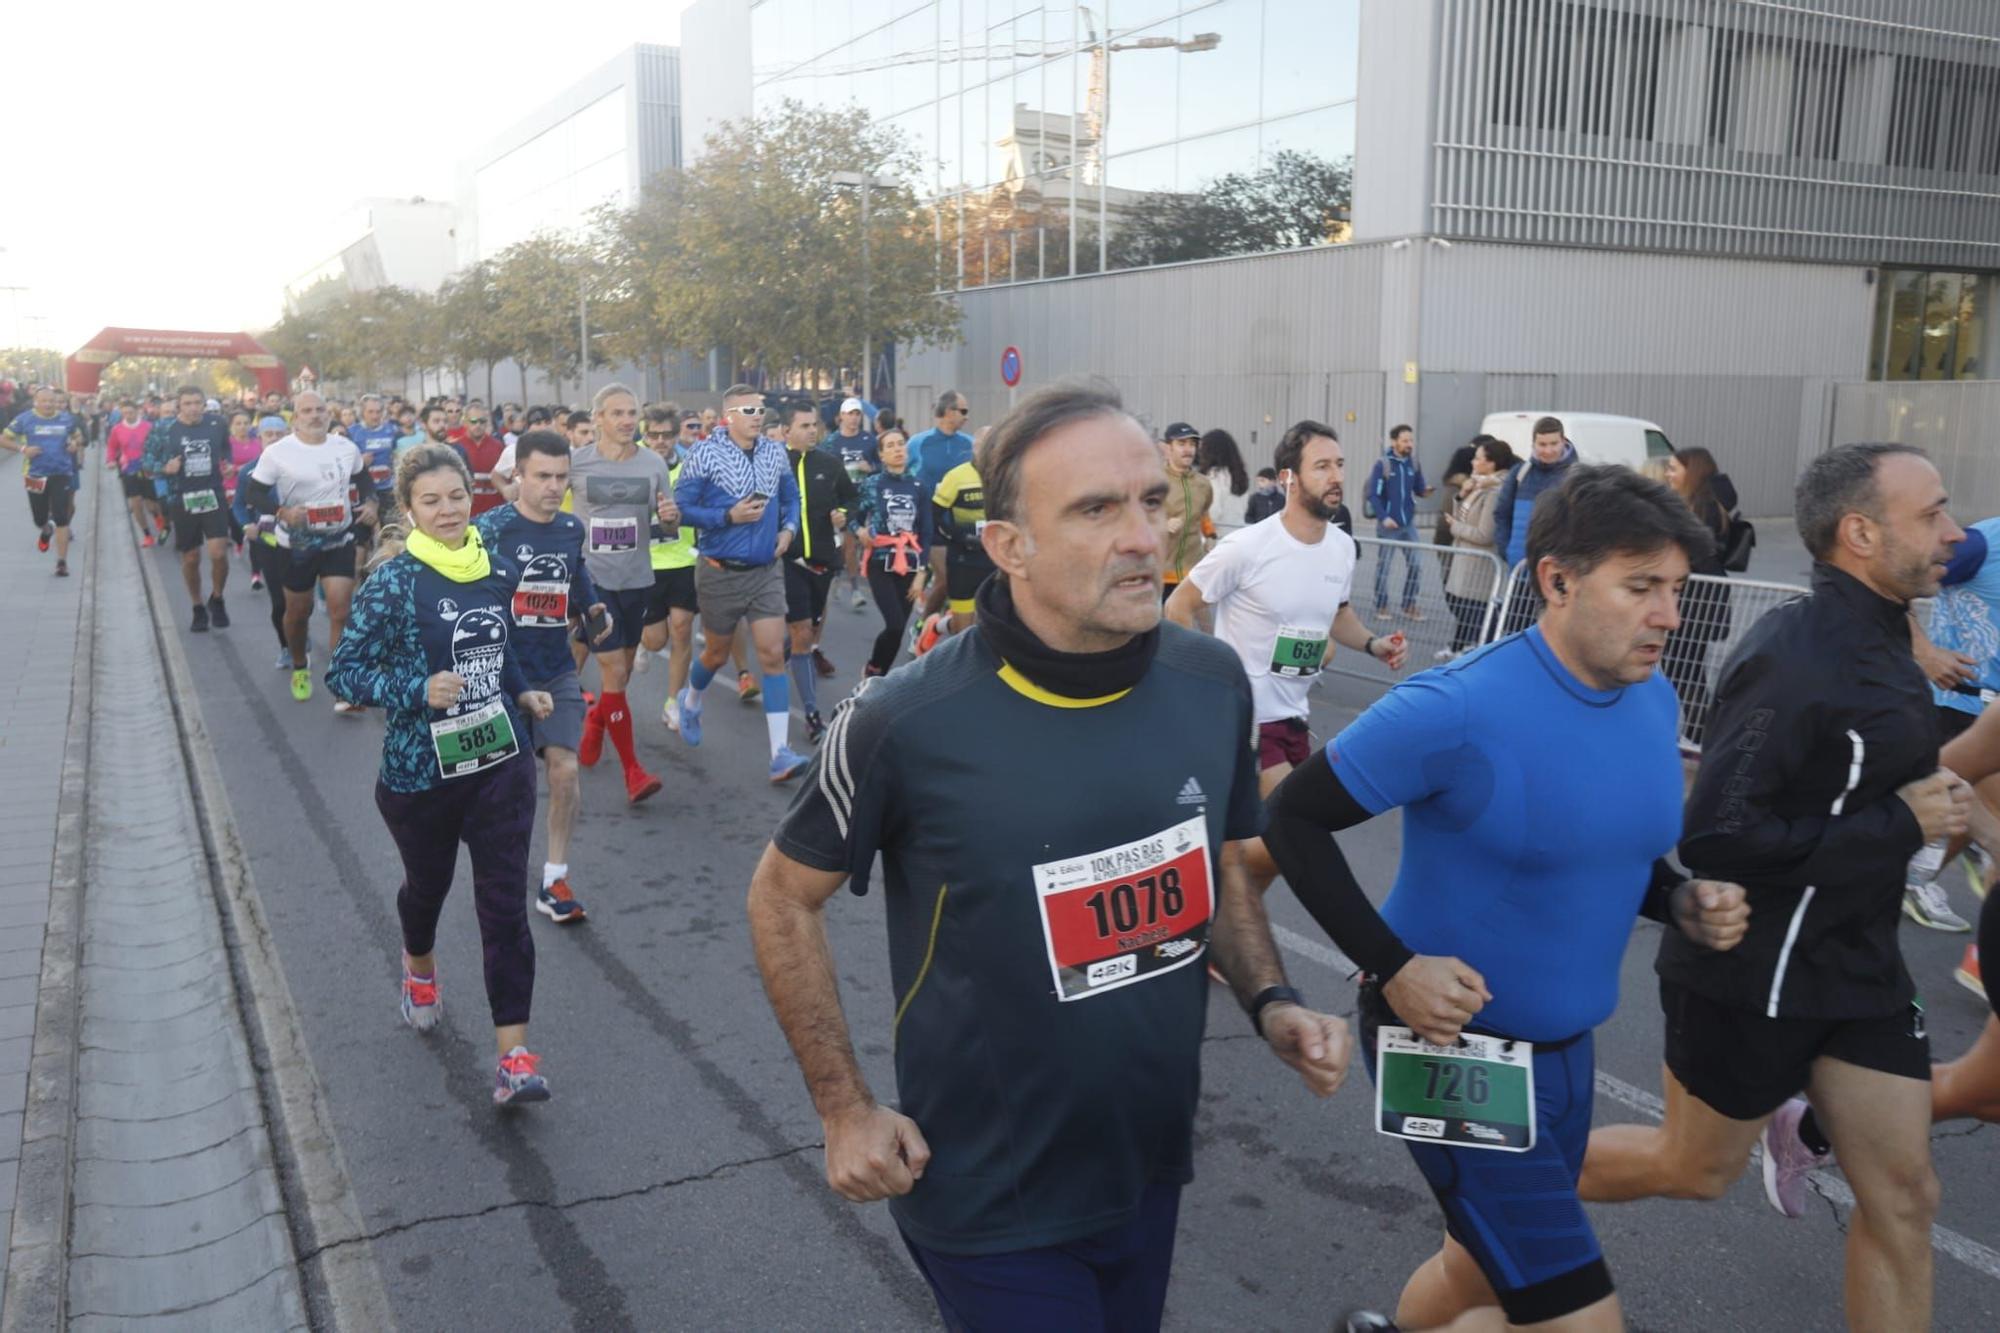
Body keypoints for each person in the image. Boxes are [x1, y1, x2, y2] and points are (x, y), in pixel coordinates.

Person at [748, 381, 1350, 1331]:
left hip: (1149, 1164)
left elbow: (1221, 863)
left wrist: (1270, 998)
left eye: (1151, 501)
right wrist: (845, 1108)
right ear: (1008, 545)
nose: (1145, 537)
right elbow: (783, 897)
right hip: (988, 1193)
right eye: (1096, 509)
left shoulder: (1210, 682)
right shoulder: (905, 720)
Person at [1267, 465, 1744, 1333]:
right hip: (1450, 1046)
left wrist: (1678, 898)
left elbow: (1604, 851)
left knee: (1477, 1275)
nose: (1670, 616)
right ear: (1556, 580)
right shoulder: (1455, 706)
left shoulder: (1652, 697)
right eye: (1642, 587)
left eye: (1677, 589)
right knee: (1577, 1316)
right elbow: (1292, 817)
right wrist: (1394, 966)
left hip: (1567, 1051)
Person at [1579, 443, 1970, 1333]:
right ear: (1861, 533)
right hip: (1754, 974)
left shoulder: (1889, 639)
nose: (1953, 533)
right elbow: (1718, 833)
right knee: (1694, 1170)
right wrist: (1903, 826)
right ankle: (1509, 1196)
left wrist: (1949, 818)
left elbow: (1906, 790)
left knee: (1905, 1197)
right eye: (1933, 514)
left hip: (1861, 973)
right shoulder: (1796, 658)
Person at [327, 443, 556, 1107]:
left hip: (499, 762)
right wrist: (412, 686)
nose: (449, 509)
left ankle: (514, 1055)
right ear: (409, 509)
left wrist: (521, 692)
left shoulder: (493, 563)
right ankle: (419, 965)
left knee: (504, 906)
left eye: (457, 495)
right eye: (432, 500)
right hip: (420, 773)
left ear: (471, 494)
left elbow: (496, 643)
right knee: (426, 889)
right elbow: (345, 670)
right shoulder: (395, 582)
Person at [1167, 419, 1406, 899]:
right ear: (1288, 478)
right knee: (1293, 832)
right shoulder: (1249, 546)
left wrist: (1373, 644)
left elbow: (1337, 616)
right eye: (1321, 466)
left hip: (1296, 715)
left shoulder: (1340, 549)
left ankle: (1228, 919)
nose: (1335, 475)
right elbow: (1179, 606)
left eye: (1338, 464)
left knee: (1276, 846)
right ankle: (1218, 897)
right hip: (1249, 718)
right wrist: (1208, 677)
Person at [474, 430, 610, 924]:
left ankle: (554, 879)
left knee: (565, 769)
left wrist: (592, 604)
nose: (554, 486)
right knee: (503, 787)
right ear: (518, 476)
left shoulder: (572, 527)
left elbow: (575, 572)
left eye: (561, 477)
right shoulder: (489, 528)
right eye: (543, 477)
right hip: (500, 674)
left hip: (554, 669)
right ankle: (496, 869)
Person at [672, 384, 811, 782]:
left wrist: (787, 530)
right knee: (715, 655)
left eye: (761, 409)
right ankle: (692, 699)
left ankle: (779, 753)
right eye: (748, 409)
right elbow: (681, 511)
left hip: (766, 569)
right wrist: (728, 517)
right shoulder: (704, 454)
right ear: (728, 415)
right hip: (720, 570)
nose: (757, 415)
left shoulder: (774, 452)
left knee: (771, 654)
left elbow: (791, 497)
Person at [568, 384, 672, 805]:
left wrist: (671, 517)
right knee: (612, 670)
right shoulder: (576, 464)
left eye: (632, 413)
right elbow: (543, 506)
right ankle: (633, 771)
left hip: (637, 578)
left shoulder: (653, 463)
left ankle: (594, 725)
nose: (628, 420)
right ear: (598, 419)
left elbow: (667, 526)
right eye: (618, 413)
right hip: (591, 580)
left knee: (621, 676)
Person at [240, 390, 378, 706]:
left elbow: (364, 480)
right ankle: (300, 664)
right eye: (307, 411)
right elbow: (255, 492)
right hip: (297, 545)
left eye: (320, 410)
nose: (315, 415)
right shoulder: (278, 452)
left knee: (340, 609)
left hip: (338, 539)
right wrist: (282, 512)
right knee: (298, 613)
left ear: (328, 415)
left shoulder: (345, 447)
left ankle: (341, 682)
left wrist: (370, 503)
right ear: (296, 418)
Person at [1905, 518, 2000, 934]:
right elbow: (1892, 578)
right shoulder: (1980, 546)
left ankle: (1909, 879)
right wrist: (1924, 651)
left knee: (1959, 815)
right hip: (1960, 705)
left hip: (1991, 712)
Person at [782, 403, 858, 743]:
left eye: (815, 425)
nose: (812, 431)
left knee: (809, 629)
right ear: (786, 431)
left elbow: (852, 499)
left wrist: (843, 513)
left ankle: (784, 656)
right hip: (786, 562)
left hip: (823, 562)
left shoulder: (829, 464)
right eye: (804, 425)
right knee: (801, 632)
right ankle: (813, 715)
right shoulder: (774, 466)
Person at [1660, 447, 1735, 749]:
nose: (1668, 474)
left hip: (1697, 601)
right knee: (1686, 669)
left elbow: (1695, 551)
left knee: (1683, 668)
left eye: (1673, 468)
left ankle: (1702, 734)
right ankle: (1700, 731)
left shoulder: (1702, 507)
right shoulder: (1701, 504)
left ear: (1692, 472)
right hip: (1696, 599)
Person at [146, 385, 235, 631]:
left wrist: (227, 464)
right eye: (188, 404)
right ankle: (197, 606)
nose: (194, 408)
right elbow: (146, 461)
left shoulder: (217, 423)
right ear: (179, 406)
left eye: (198, 403)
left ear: (204, 404)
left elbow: (226, 448)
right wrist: (165, 468)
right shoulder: (164, 428)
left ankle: (217, 598)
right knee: (192, 557)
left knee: (218, 553)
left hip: (212, 494)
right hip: (181, 498)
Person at [636, 410, 700, 732]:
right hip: (646, 563)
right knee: (656, 640)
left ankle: (673, 702)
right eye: (654, 435)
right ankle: (640, 643)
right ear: (645, 436)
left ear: (676, 436)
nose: (660, 441)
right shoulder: (632, 467)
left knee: (682, 629)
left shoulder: (690, 468)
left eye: (667, 435)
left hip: (684, 560)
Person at [854, 428, 932, 678]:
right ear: (882, 455)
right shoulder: (872, 484)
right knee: (895, 623)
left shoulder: (919, 486)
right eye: (891, 446)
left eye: (901, 444)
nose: (898, 449)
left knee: (899, 631)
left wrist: (922, 572)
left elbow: (926, 533)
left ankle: (878, 679)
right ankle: (873, 668)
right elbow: (853, 517)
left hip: (909, 563)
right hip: (880, 562)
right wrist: (860, 531)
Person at [1491, 417, 1578, 636]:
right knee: (1515, 633)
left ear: (1563, 441)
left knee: (1555, 636)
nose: (1547, 450)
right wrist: (1506, 549)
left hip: (1558, 575)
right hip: (1520, 571)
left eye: (1553, 444)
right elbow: (1502, 514)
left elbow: (1584, 524)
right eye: (1542, 444)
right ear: (1533, 444)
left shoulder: (1577, 476)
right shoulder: (1520, 473)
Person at [1439, 437, 1515, 657]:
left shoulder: (1494, 491)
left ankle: (1480, 654)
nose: (1473, 462)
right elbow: (1462, 515)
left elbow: (1484, 534)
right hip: (1466, 560)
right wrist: (1461, 495)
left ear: (1492, 463)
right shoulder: (1481, 484)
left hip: (1479, 564)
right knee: (1465, 609)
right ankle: (1461, 647)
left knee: (1479, 614)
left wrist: (1455, 528)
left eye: (1478, 458)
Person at [3, 385, 86, 576]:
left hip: (61, 473)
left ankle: (61, 562)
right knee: (39, 518)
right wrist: (23, 450)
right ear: (36, 402)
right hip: (35, 474)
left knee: (61, 516)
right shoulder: (25, 419)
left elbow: (78, 435)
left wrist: (75, 444)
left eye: (51, 401)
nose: (48, 404)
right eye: (44, 401)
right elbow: (3, 438)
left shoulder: (66, 418)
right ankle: (46, 529)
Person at [1366, 425, 1433, 621]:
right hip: (1388, 526)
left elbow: (1419, 488)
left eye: (1411, 440)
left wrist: (1425, 491)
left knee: (1416, 565)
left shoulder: (1414, 463)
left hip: (1408, 524)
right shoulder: (1383, 465)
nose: (1409, 444)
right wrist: (1384, 517)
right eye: (1405, 441)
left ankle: (1409, 604)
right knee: (1384, 567)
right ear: (1394, 442)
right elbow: (1373, 495)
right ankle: (1382, 605)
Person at [827, 396, 879, 610]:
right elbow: (824, 467)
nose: (854, 418)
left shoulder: (869, 440)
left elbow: (881, 464)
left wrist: (872, 468)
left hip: (865, 498)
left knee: (858, 543)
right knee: (849, 542)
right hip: (842, 499)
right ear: (841, 417)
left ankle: (840, 574)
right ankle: (855, 588)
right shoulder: (832, 441)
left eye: (857, 414)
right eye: (850, 414)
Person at [1158, 422, 1214, 603]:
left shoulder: (1203, 484)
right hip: (1159, 571)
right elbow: (1136, 516)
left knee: (1187, 625)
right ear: (1168, 448)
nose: (1188, 449)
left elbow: (1204, 513)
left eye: (1192, 444)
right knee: (1155, 627)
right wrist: (1161, 525)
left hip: (1193, 570)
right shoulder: (1155, 480)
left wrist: (1211, 535)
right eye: (1181, 444)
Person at [105, 398, 157, 548]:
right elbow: (112, 447)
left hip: (147, 468)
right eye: (125, 413)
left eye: (131, 412)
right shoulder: (117, 429)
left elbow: (157, 445)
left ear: (137, 411)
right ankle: (147, 535)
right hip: (129, 469)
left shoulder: (148, 426)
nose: (128, 415)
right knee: (135, 504)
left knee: (151, 505)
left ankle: (158, 517)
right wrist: (110, 460)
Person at [908, 390, 973, 494]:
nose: (967, 417)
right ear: (949, 412)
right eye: (963, 411)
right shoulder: (917, 443)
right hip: (926, 509)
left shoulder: (971, 443)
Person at [455, 404, 507, 517]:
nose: (478, 425)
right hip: (467, 512)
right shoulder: (457, 447)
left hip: (494, 512)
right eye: (473, 421)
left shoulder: (498, 446)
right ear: (465, 422)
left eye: (482, 421)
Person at [1199, 428, 1251, 531]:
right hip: (1238, 530)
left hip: (1219, 535)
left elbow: (1213, 512)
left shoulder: (1214, 476)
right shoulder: (1239, 474)